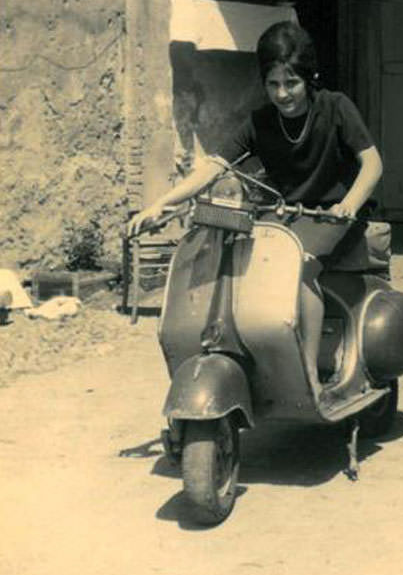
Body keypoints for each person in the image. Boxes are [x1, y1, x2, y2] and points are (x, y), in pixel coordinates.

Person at [128, 22, 383, 395]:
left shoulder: (336, 107)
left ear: (308, 78)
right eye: (273, 84)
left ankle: (308, 374)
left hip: (333, 216)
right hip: (285, 216)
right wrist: (161, 203)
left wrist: (348, 204)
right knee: (234, 263)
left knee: (301, 268)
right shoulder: (260, 122)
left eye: (291, 83)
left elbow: (372, 163)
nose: (283, 94)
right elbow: (213, 167)